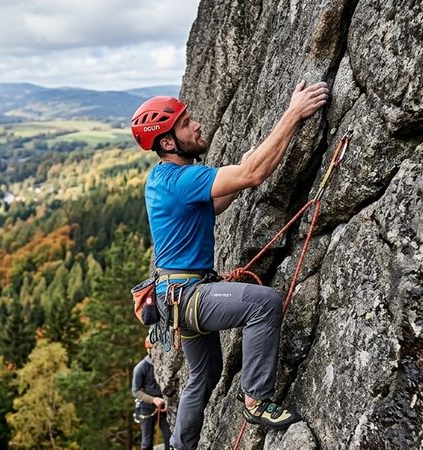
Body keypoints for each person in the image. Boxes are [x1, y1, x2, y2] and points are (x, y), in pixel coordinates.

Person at [131, 80, 329, 449]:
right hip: (188, 296)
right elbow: (253, 175)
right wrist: (293, 114)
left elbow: (215, 202)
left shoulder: (164, 178)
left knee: (205, 375)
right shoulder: (181, 179)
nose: (197, 125)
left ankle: (178, 446)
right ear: (169, 142)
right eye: (186, 122)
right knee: (262, 302)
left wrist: (247, 165)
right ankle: (257, 400)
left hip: (174, 296)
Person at [132, 336, 172, 450]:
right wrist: (153, 400)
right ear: (149, 350)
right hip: (147, 406)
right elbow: (136, 391)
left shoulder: (165, 365)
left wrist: (165, 400)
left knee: (169, 438)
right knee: (147, 441)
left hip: (163, 405)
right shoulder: (141, 368)